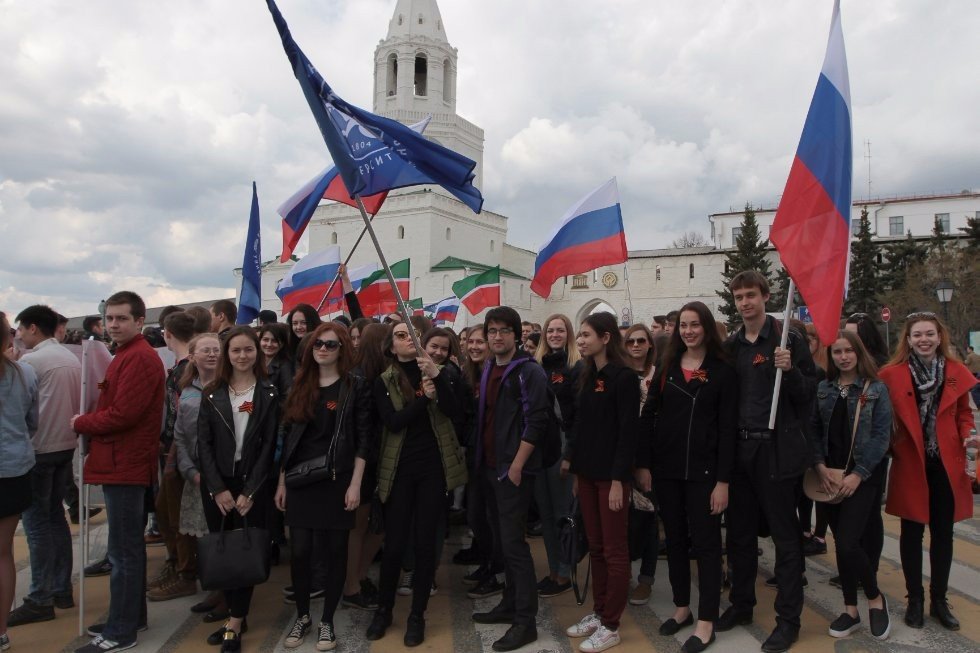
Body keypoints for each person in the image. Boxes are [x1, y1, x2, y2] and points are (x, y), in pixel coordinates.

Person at [716, 271, 816, 653]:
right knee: (739, 536)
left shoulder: (788, 338)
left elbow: (808, 395)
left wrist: (789, 372)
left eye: (751, 295)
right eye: (739, 296)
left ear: (766, 295)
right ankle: (742, 605)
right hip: (741, 452)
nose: (745, 302)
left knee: (785, 539)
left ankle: (788, 620)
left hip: (776, 452)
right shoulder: (731, 346)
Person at [636, 302, 736, 652]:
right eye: (683, 326)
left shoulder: (723, 371)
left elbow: (727, 431)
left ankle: (706, 619)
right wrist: (645, 464)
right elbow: (648, 417)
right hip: (667, 471)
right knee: (675, 541)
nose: (689, 331)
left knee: (707, 546)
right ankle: (682, 608)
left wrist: (723, 481)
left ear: (707, 328)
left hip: (706, 475)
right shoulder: (667, 367)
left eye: (695, 325)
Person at [71, 292, 166, 653]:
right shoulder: (128, 354)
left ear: (140, 321)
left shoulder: (138, 357)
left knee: (123, 552)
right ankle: (130, 617)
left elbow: (124, 414)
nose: (113, 324)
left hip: (125, 463)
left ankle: (121, 631)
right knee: (127, 550)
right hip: (122, 462)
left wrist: (82, 422)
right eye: (110, 318)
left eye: (121, 319)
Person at [365, 321, 466, 647]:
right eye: (399, 336)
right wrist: (424, 397)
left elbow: (454, 411)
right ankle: (384, 610)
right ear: (391, 347)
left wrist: (436, 378)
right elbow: (394, 422)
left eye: (410, 334)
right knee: (394, 545)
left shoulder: (437, 373)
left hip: (433, 470)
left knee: (425, 546)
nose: (406, 339)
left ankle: (417, 615)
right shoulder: (385, 381)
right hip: (399, 471)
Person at [880, 312, 977, 631]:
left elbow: (965, 413)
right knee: (910, 533)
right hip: (910, 463)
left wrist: (968, 434)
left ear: (940, 337)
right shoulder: (891, 375)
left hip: (946, 464)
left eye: (929, 334)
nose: (923, 340)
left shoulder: (955, 371)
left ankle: (938, 600)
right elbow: (881, 416)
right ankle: (915, 599)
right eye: (917, 335)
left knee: (944, 534)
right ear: (907, 340)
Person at [277, 323, 371, 651]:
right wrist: (281, 481)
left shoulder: (354, 386)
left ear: (342, 349)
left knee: (335, 553)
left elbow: (362, 440)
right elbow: (288, 437)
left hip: (337, 480)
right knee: (300, 553)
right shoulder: (300, 384)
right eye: (318, 344)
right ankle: (303, 616)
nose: (323, 350)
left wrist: (356, 484)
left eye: (331, 345)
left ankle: (327, 620)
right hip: (300, 480)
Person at [471, 307, 550, 652]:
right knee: (502, 541)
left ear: (517, 335)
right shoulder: (490, 366)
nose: (497, 336)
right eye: (492, 330)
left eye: (504, 331)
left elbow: (537, 421)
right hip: (488, 467)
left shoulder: (528, 371)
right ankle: (508, 603)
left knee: (515, 546)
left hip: (512, 470)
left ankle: (525, 621)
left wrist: (517, 465)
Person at [197, 326, 279, 652]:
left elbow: (269, 446)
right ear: (226, 355)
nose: (242, 356)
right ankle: (235, 613)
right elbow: (203, 444)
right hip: (218, 485)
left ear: (257, 353)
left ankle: (234, 622)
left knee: (244, 551)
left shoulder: (270, 393)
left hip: (251, 484)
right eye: (236, 350)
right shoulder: (212, 392)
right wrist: (217, 489)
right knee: (223, 552)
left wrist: (252, 490)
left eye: (248, 350)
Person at [807, 331, 892, 641]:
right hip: (829, 475)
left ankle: (874, 598)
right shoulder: (824, 389)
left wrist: (859, 474)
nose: (842, 357)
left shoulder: (876, 389)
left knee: (847, 542)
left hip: (862, 477)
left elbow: (882, 437)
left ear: (858, 353)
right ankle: (850, 610)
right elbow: (813, 430)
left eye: (848, 351)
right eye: (837, 352)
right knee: (843, 544)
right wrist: (818, 466)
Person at [565, 312, 640, 653]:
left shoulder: (623, 377)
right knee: (595, 547)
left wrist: (617, 480)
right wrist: (574, 466)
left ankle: (611, 623)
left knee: (614, 550)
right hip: (587, 474)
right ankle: (599, 611)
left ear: (606, 337)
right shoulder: (585, 373)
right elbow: (580, 424)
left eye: (586, 335)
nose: (580, 340)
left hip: (612, 479)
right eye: (578, 335)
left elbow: (628, 433)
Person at [8, 305, 80, 626]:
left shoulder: (32, 361)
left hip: (39, 449)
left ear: (34, 328)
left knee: (37, 525)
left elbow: (25, 410)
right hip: (66, 445)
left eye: (21, 330)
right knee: (56, 518)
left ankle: (40, 597)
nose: (19, 336)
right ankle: (61, 588)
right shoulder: (70, 356)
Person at [147, 311, 199, 602]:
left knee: (175, 515)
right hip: (173, 448)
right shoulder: (181, 367)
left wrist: (174, 453)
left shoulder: (184, 370)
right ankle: (178, 566)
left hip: (178, 451)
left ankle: (186, 572)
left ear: (167, 333)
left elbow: (183, 417)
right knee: (168, 512)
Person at [171, 334, 222, 617]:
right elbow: (180, 435)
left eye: (217, 350)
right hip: (196, 476)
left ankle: (225, 593)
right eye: (206, 350)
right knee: (203, 536)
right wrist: (189, 470)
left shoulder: (230, 387)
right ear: (192, 356)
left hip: (222, 475)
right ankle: (214, 589)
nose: (212, 354)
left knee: (222, 535)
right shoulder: (187, 390)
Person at [533, 314, 582, 599]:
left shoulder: (575, 367)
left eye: (560, 330)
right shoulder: (536, 366)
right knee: (546, 513)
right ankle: (554, 568)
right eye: (550, 330)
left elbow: (577, 415)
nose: (554, 334)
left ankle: (564, 569)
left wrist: (570, 454)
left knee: (563, 512)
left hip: (562, 443)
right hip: (539, 443)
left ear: (568, 334)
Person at [341, 323, 389, 611]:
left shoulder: (359, 374)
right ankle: (352, 585)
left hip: (367, 460)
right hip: (367, 461)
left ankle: (355, 579)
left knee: (373, 527)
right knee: (360, 528)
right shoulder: (368, 379)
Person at [0, 311, 38, 653]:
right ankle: (1, 632)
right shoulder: (24, 372)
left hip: (12, 464)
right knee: (4, 554)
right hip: (14, 469)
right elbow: (32, 420)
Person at [622, 323, 659, 607]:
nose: (635, 345)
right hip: (624, 455)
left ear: (649, 344)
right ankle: (622, 573)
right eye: (631, 341)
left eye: (641, 341)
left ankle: (646, 578)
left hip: (650, 456)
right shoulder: (619, 375)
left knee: (647, 518)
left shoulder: (659, 376)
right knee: (623, 519)